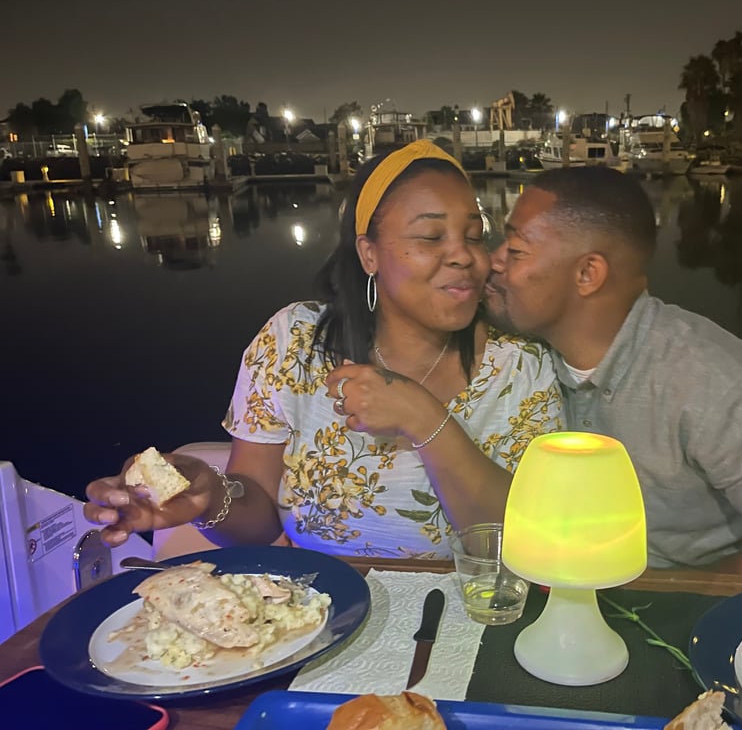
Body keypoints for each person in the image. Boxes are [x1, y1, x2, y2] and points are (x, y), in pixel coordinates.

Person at [85, 140, 563, 558]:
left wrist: (424, 420)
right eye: (431, 236)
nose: (465, 255)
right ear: (369, 254)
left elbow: (526, 541)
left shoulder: (521, 366)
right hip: (318, 611)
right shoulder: (293, 342)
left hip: (465, 614)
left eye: (475, 236)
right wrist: (208, 499)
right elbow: (258, 520)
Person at [484, 166, 742, 580]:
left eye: (515, 249)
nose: (493, 260)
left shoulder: (707, 382)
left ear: (587, 274)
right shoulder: (525, 358)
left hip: (693, 607)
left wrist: (668, 591)